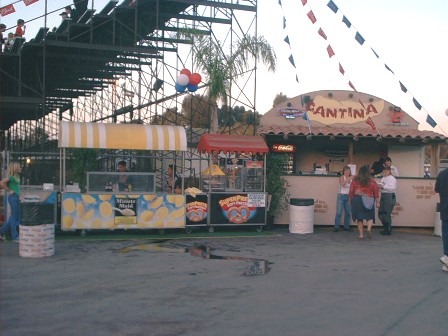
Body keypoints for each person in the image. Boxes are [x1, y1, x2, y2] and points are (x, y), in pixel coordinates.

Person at [349, 164, 380, 239]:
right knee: (370, 216)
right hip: (368, 199)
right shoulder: (372, 181)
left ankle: (361, 234)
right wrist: (377, 202)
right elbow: (376, 191)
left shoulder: (355, 180)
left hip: (357, 199)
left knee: (359, 218)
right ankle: (368, 229)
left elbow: (351, 190)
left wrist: (351, 200)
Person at [0, 162, 22, 243]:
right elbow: (1, 182)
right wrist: (9, 190)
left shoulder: (16, 176)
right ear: (15, 168)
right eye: (19, 167)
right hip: (13, 197)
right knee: (14, 217)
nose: (20, 167)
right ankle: (15, 236)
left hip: (16, 197)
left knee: (14, 217)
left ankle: (1, 231)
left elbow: (16, 187)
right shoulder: (11, 177)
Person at [434, 168, 448, 273]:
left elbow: (437, 189)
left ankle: (446, 257)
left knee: (446, 234)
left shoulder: (442, 174)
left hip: (445, 209)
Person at [378, 166, 397, 235]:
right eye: (384, 171)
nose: (385, 172)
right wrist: (379, 187)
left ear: (389, 171)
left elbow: (392, 188)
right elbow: (382, 186)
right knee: (380, 213)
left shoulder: (392, 178)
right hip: (383, 195)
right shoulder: (383, 178)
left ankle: (388, 229)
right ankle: (386, 227)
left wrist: (383, 187)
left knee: (386, 213)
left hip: (389, 195)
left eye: (386, 171)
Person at [334, 166, 353, 232]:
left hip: (348, 196)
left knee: (348, 212)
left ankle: (346, 226)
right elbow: (342, 183)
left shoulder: (352, 178)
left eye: (349, 171)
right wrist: (349, 178)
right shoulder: (341, 177)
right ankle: (336, 227)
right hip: (341, 196)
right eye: (346, 171)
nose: (348, 172)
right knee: (339, 212)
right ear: (343, 171)